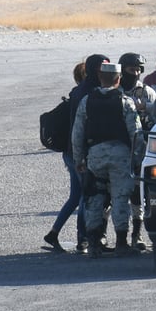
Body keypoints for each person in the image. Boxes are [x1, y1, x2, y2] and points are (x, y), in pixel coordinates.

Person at [72, 61, 144, 258]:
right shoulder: (125, 102)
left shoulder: (87, 101)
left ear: (100, 77)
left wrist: (79, 158)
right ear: (118, 79)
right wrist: (138, 159)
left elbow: (77, 133)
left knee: (95, 199)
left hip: (95, 156)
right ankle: (121, 242)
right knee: (121, 197)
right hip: (121, 156)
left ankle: (94, 243)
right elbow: (136, 133)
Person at [42, 61, 88, 254]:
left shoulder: (72, 97)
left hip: (68, 154)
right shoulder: (82, 99)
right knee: (85, 196)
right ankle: (82, 239)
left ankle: (54, 233)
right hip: (76, 154)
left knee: (75, 197)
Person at [118, 52, 156, 251]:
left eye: (139, 69)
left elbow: (154, 120)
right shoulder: (115, 91)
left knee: (137, 193)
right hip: (119, 147)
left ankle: (137, 234)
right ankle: (116, 237)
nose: (136, 73)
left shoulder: (147, 92)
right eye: (132, 69)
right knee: (115, 195)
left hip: (140, 149)